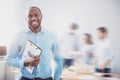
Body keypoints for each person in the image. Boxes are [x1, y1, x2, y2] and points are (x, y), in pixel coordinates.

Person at [6, 7, 63, 80]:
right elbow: (9, 60)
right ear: (26, 19)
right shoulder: (18, 36)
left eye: (36, 15)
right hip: (25, 78)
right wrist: (25, 63)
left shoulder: (52, 36)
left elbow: (59, 60)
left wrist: (56, 78)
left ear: (41, 16)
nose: (33, 18)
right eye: (30, 16)